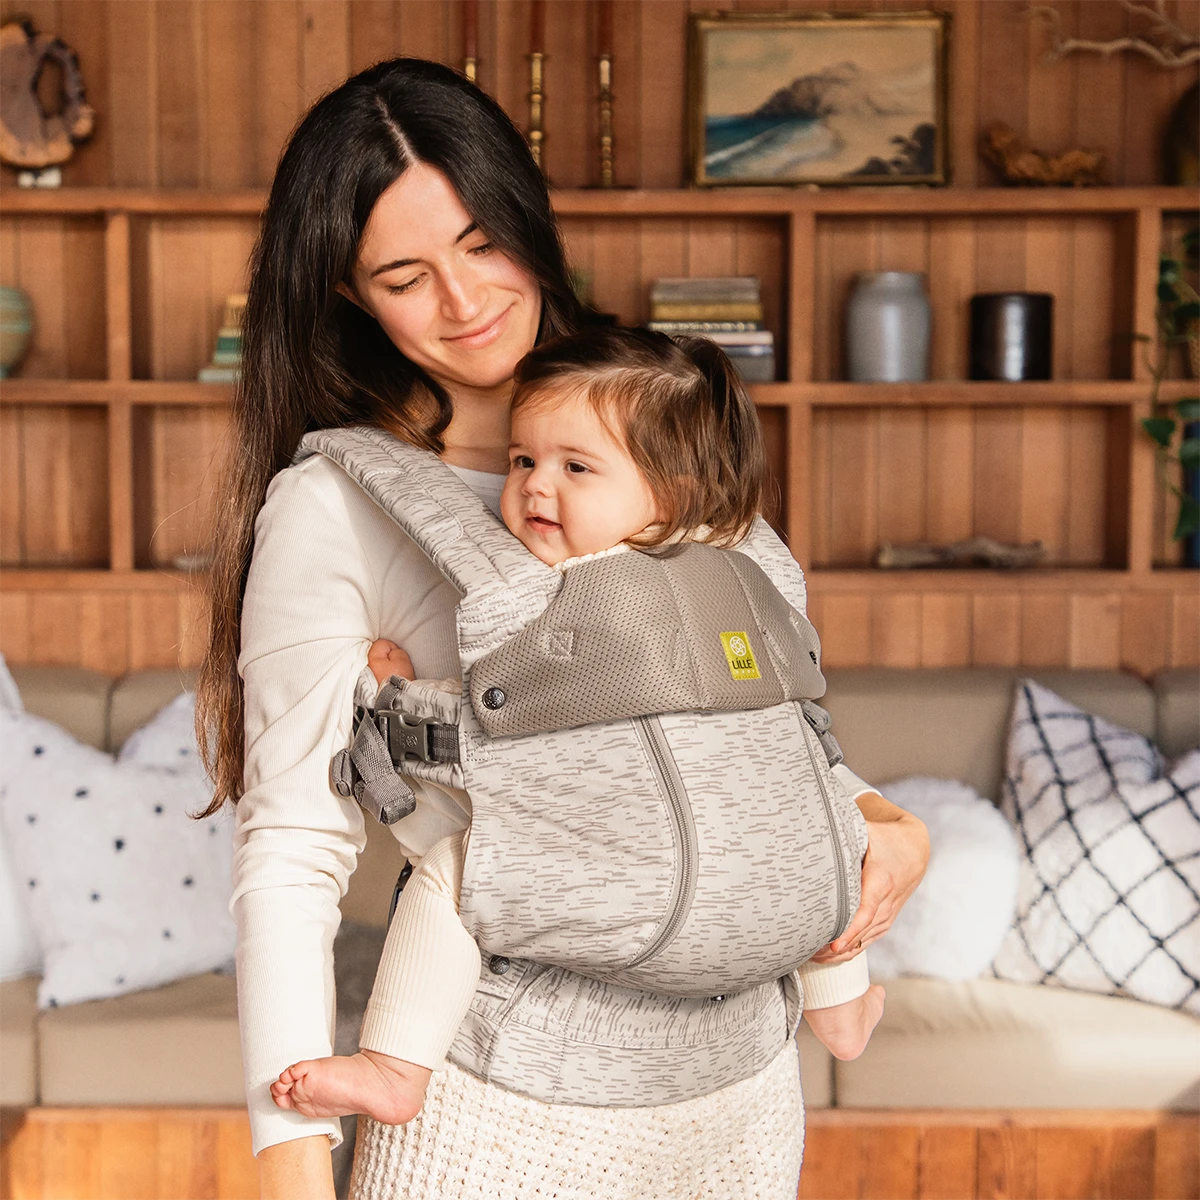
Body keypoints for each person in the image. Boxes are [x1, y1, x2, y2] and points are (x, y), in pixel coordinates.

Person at [195, 57, 930, 1200]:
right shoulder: (339, 503)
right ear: (347, 294)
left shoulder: (663, 443)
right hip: (503, 1116)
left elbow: (744, 721)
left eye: (485, 243)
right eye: (405, 275)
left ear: (530, 218)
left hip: (741, 1100)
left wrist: (886, 825)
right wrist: (294, 1179)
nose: (466, 300)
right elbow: (292, 855)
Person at [268, 325, 889, 1127]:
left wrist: (399, 698)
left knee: (462, 875)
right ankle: (840, 1006)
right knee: (819, 829)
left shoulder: (573, 590)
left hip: (639, 895)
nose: (534, 487)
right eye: (523, 460)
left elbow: (507, 725)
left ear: (672, 489)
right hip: (780, 910)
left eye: (576, 468)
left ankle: (394, 1065)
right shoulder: (741, 571)